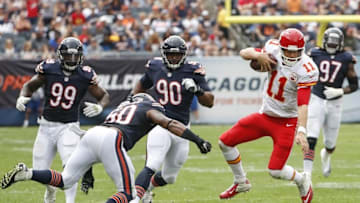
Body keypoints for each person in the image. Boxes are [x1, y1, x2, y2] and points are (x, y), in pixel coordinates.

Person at [0, 93, 212, 203]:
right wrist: (197, 139)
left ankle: (27, 173)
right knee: (128, 194)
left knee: (65, 180)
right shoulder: (150, 108)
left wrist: (88, 171)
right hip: (112, 139)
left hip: (93, 134)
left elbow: (96, 147)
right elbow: (172, 124)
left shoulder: (122, 107)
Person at [218, 28, 318, 203]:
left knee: (276, 171)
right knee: (225, 142)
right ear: (281, 48)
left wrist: (301, 130)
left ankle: (302, 179)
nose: (292, 55)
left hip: (286, 122)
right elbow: (244, 52)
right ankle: (241, 181)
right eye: (288, 50)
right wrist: (258, 56)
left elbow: (303, 104)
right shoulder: (272, 49)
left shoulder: (306, 68)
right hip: (264, 116)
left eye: (296, 51)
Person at [14, 37, 110, 203]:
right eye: (68, 56)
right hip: (45, 127)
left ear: (80, 56)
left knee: (70, 170)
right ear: (60, 55)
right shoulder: (49, 68)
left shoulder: (85, 74)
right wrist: (23, 96)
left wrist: (100, 107)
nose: (71, 60)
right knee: (39, 170)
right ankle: (50, 191)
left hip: (69, 127)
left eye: (75, 56)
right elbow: (29, 86)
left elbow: (104, 96)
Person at [131, 35, 214, 203]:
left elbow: (209, 102)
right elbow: (141, 85)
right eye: (170, 54)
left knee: (170, 177)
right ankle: (134, 199)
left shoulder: (193, 70)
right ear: (164, 54)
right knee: (152, 164)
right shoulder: (155, 66)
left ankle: (148, 189)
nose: (174, 58)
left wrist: (197, 90)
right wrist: (134, 99)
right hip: (159, 124)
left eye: (177, 54)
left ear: (184, 55)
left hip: (182, 128)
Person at [303, 27, 358, 177]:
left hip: (335, 102)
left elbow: (354, 85)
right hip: (317, 98)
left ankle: (326, 155)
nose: (332, 46)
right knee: (311, 137)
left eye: (335, 43)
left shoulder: (347, 58)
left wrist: (339, 91)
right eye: (330, 43)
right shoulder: (314, 54)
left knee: (330, 144)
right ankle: (306, 175)